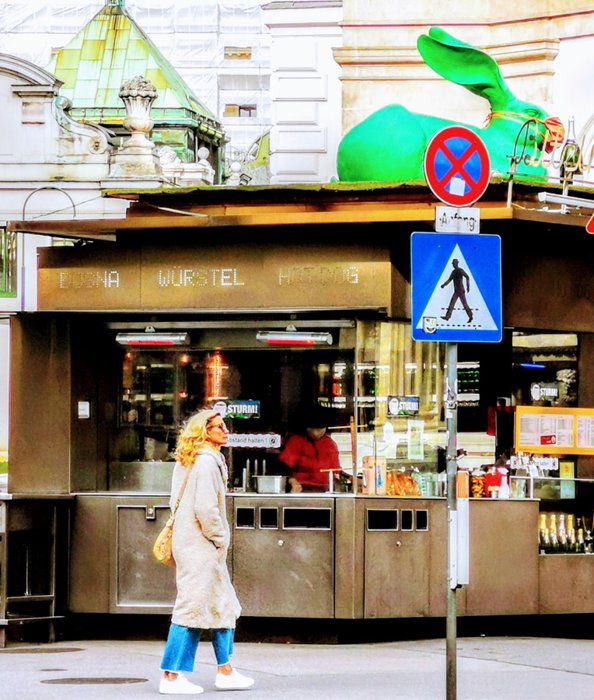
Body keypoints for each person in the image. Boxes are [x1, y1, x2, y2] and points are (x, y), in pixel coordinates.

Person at [159, 409, 254, 695]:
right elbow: (206, 509)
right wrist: (220, 538)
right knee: (191, 607)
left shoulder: (190, 460)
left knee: (222, 604)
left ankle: (225, 670)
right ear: (205, 431)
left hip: (191, 542)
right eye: (219, 427)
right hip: (200, 545)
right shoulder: (207, 463)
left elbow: (175, 500)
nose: (226, 431)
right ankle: (171, 675)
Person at [278, 408, 341, 492]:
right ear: (307, 428)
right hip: (301, 490)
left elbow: (336, 470)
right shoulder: (296, 442)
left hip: (326, 491)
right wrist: (292, 480)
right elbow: (283, 466)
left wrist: (350, 478)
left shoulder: (329, 444)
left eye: (320, 429)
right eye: (313, 429)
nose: (316, 433)